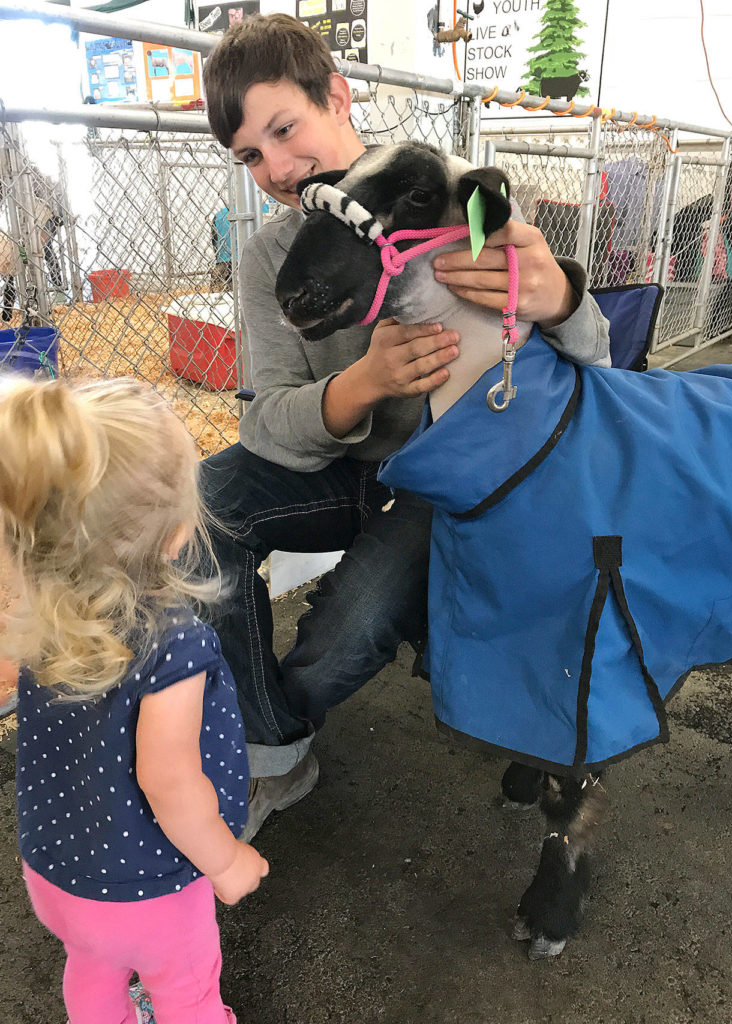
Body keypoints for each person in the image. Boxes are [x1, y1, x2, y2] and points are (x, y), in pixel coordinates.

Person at [200, 13, 611, 843]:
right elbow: (269, 419)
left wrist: (559, 295)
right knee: (201, 502)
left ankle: (264, 732)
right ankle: (274, 756)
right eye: (250, 155)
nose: (277, 168)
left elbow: (592, 354)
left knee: (347, 631)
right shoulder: (269, 253)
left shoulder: (455, 199)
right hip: (339, 465)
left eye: (286, 129)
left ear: (337, 96)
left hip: (444, 474)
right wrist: (364, 383)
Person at [1, 376, 269, 1024]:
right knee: (187, 992)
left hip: (53, 874)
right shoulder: (173, 644)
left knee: (91, 967)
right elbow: (169, 782)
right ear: (177, 534)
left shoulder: (39, 617)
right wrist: (227, 861)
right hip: (144, 892)